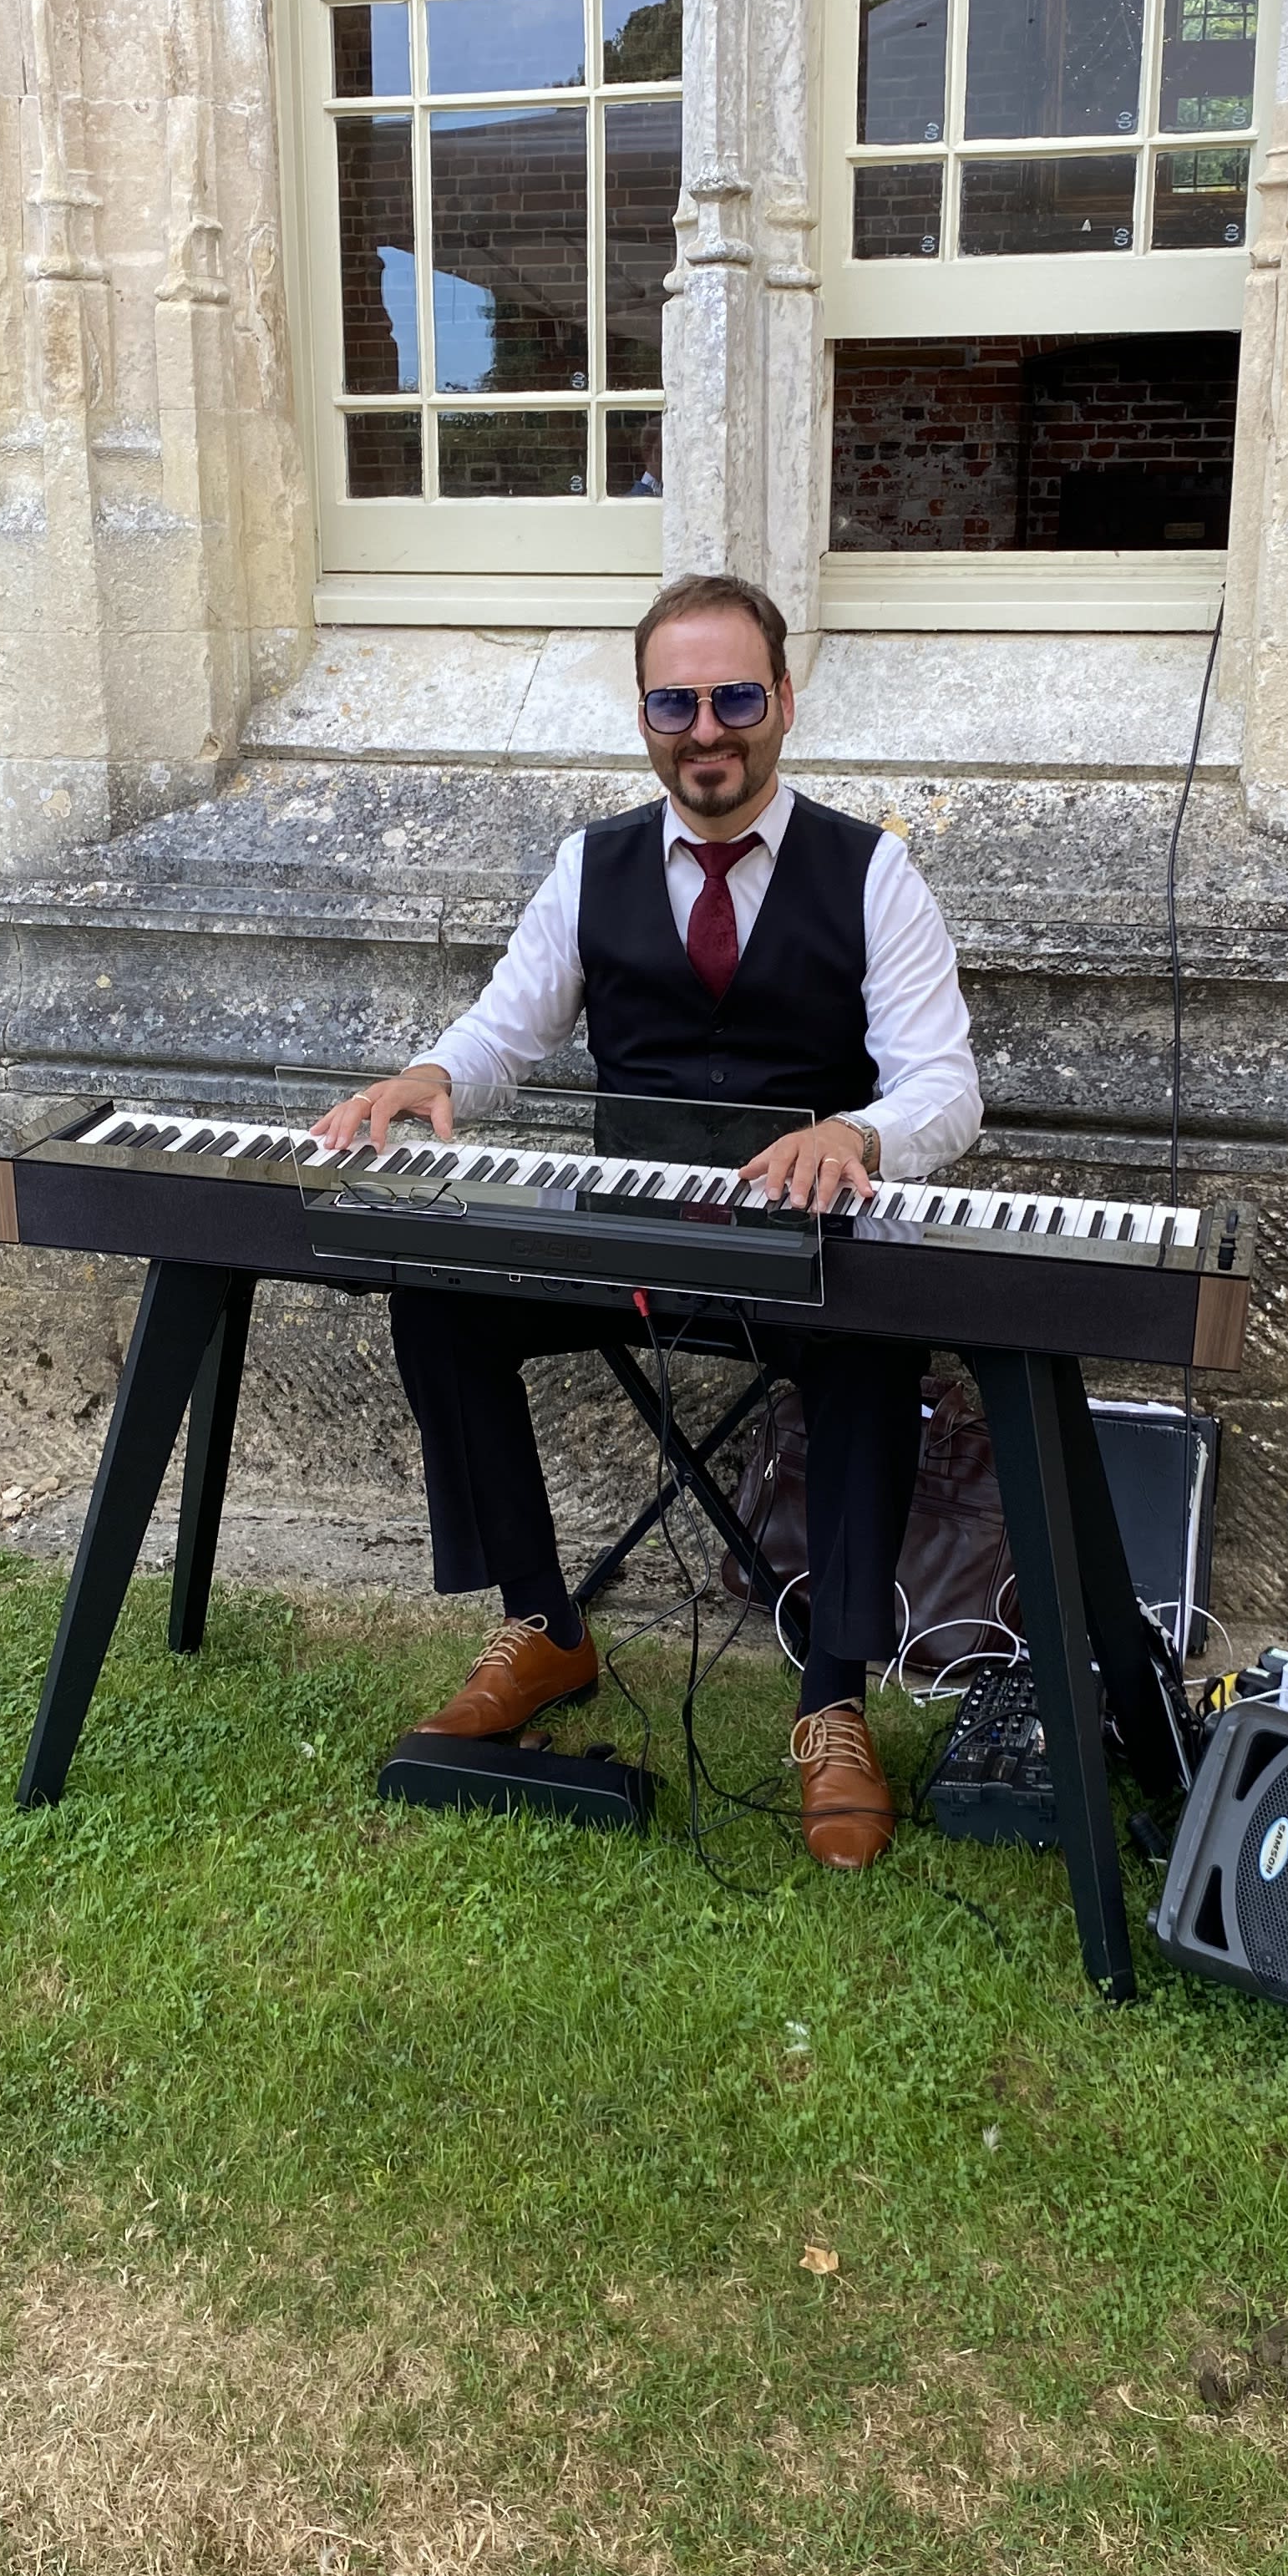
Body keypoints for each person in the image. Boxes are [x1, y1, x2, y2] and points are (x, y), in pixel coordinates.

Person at [312, 571, 981, 1869]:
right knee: (437, 1293)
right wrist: (432, 1074)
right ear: (644, 717)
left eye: (735, 698)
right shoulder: (590, 865)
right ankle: (544, 1626)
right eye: (676, 704)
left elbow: (944, 1085)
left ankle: (832, 1697)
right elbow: (505, 1030)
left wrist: (857, 1136)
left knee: (875, 1348)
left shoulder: (874, 872)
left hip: (804, 1246)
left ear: (784, 703)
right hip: (627, 1238)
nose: (705, 730)